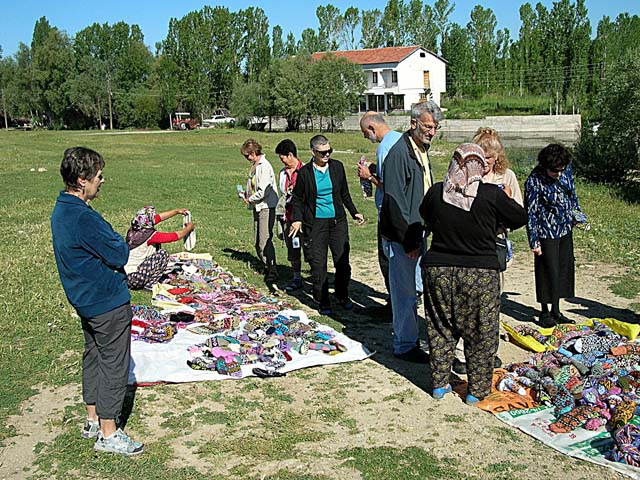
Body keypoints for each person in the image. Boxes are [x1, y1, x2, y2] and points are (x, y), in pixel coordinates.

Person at [50, 147, 143, 456]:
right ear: (81, 180)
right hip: (106, 302)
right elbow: (119, 251)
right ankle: (108, 432)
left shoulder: (61, 209)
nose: (102, 181)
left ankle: (92, 418)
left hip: (85, 300)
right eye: (98, 177)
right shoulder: (82, 216)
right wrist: (117, 240)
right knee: (114, 365)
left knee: (93, 356)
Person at [420, 143, 527, 405]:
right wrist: (507, 200)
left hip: (439, 271)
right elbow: (519, 217)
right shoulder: (492, 194)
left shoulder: (436, 193)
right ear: (479, 166)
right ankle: (476, 391)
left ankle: (439, 384)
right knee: (481, 331)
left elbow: (426, 216)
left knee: (440, 327)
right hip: (479, 274)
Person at [451, 127, 523, 375]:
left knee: (492, 303)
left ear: (497, 158)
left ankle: (488, 351)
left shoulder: (507, 177)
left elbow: (518, 214)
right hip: (468, 246)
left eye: (489, 160)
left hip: (494, 247)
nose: (484, 165)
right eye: (480, 159)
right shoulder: (463, 177)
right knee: (465, 302)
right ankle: (460, 352)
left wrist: (508, 202)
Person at [379, 100, 443, 363]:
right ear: (414, 123)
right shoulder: (400, 154)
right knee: (404, 291)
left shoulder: (420, 149)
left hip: (419, 232)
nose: (432, 131)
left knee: (417, 289)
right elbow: (394, 203)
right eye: (428, 126)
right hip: (404, 237)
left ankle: (412, 336)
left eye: (435, 127)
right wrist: (408, 241)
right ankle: (404, 345)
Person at [290, 134, 364, 315]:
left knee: (342, 262)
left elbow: (344, 193)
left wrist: (354, 212)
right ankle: (323, 300)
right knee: (318, 264)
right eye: (322, 152)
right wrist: (297, 219)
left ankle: (342, 295)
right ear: (313, 152)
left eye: (329, 151)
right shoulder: (305, 173)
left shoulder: (337, 167)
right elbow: (297, 200)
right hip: (315, 224)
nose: (327, 155)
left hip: (337, 221)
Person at [525, 143, 586, 328]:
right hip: (546, 232)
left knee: (562, 269)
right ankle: (544, 311)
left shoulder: (565, 171)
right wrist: (534, 241)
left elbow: (572, 195)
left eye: (561, 170)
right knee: (547, 271)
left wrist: (577, 214)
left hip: (565, 228)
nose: (558, 173)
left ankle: (557, 310)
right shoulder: (534, 180)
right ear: (545, 166)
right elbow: (531, 213)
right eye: (554, 171)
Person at [357, 112, 402, 307]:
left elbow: (391, 186)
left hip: (388, 212)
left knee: (387, 258)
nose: (367, 138)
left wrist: (369, 176)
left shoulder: (384, 148)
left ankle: (394, 301)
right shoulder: (401, 139)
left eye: (366, 134)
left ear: (372, 128)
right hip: (403, 212)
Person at [240, 139, 279, 292]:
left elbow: (264, 191)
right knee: (257, 240)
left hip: (266, 207)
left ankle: (273, 270)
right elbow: (254, 185)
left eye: (247, 156)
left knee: (264, 240)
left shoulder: (264, 166)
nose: (247, 159)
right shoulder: (255, 166)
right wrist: (246, 193)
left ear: (254, 153)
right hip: (258, 206)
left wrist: (250, 198)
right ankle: (266, 265)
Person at [124, 206, 195, 289]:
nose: (155, 218)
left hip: (126, 276)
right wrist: (188, 228)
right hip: (136, 278)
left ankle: (147, 280)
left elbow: (158, 218)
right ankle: (150, 284)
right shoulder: (151, 236)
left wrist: (176, 211)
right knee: (162, 254)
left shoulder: (135, 229)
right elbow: (174, 236)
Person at [275, 139, 305, 292]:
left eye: (283, 158)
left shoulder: (305, 170)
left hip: (303, 218)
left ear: (291, 155)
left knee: (309, 248)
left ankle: (316, 278)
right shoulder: (282, 173)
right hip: (288, 216)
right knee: (293, 248)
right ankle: (297, 277)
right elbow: (282, 193)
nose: (282, 161)